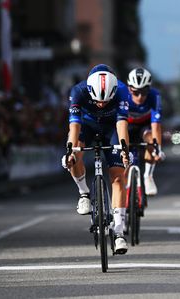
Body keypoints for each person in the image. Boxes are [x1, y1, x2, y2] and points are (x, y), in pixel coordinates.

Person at [61, 64, 130, 254]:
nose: (101, 105)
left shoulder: (122, 90)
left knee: (118, 177)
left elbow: (122, 124)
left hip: (111, 128)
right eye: (97, 101)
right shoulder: (78, 91)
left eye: (106, 101)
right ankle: (84, 193)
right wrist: (70, 151)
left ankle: (118, 233)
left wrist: (125, 150)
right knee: (75, 155)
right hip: (87, 126)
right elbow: (74, 128)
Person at [126, 67, 165, 196]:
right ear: (129, 88)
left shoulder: (154, 96)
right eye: (136, 92)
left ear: (149, 89)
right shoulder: (121, 95)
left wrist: (157, 149)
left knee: (150, 139)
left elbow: (156, 126)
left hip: (145, 126)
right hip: (127, 126)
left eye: (144, 92)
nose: (140, 96)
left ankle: (148, 176)